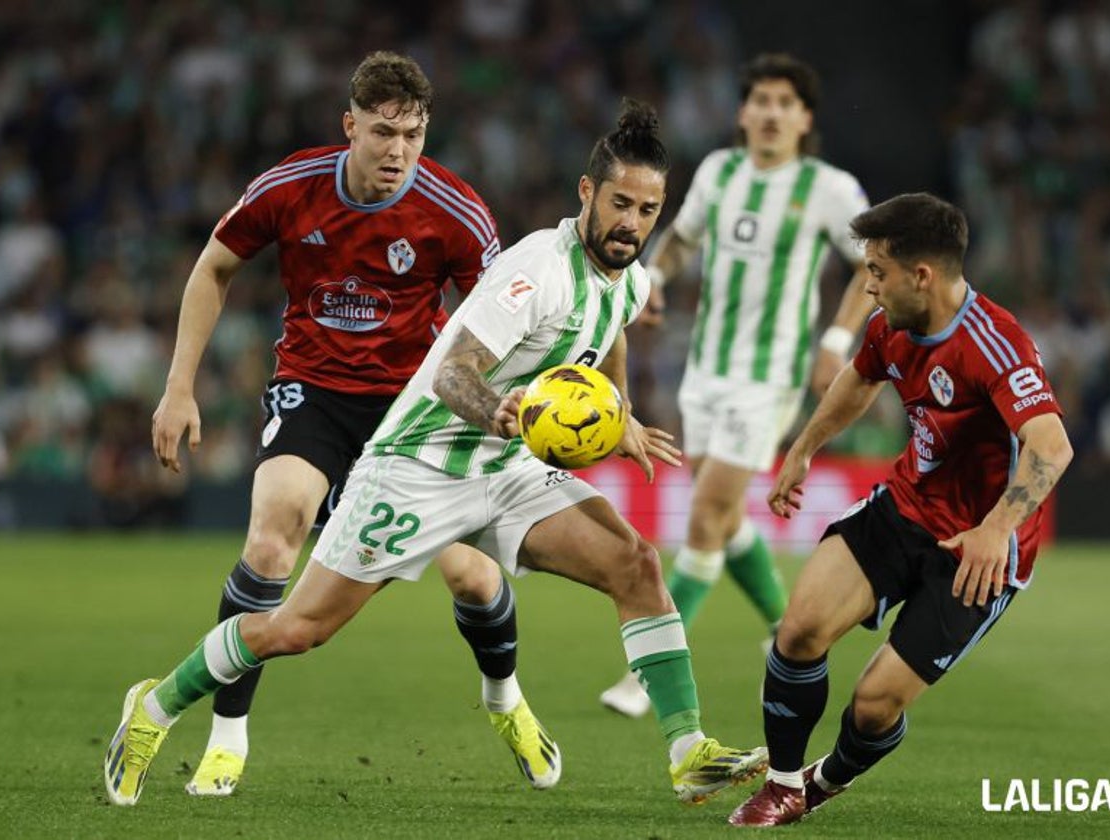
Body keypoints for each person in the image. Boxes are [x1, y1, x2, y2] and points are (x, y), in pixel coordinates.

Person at [104, 99, 768, 808]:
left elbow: (616, 327)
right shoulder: (535, 271)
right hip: (419, 463)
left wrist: (622, 410)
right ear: (586, 193)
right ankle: (153, 707)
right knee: (298, 629)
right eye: (619, 204)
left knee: (636, 563)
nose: (631, 224)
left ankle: (686, 749)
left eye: (647, 209)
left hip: (502, 467)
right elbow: (454, 372)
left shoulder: (629, 278)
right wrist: (501, 409)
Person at [148, 51, 550, 797]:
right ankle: (227, 738)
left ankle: (506, 700)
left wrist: (509, 403)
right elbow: (213, 267)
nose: (398, 150)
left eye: (413, 134)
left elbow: (502, 319)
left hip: (418, 406)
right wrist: (179, 389)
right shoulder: (291, 186)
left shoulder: (456, 211)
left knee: (472, 576)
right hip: (315, 390)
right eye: (382, 132)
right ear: (350, 126)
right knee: (273, 539)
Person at [727, 193, 1074, 826]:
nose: (869, 287)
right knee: (799, 629)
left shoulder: (996, 344)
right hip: (905, 506)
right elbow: (859, 378)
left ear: (923, 275)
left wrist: (996, 529)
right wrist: (804, 448)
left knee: (873, 705)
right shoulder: (892, 324)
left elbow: (1052, 445)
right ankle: (781, 785)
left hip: (979, 549)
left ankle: (825, 779)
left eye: (878, 273)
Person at [601, 53, 876, 718]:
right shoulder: (721, 172)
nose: (772, 112)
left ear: (804, 117)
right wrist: (654, 280)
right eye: (761, 100)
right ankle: (790, 633)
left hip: (770, 376)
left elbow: (875, 263)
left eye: (786, 102)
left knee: (703, 519)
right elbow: (679, 240)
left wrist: (837, 342)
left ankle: (651, 672)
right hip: (706, 371)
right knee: (721, 517)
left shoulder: (830, 187)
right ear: (742, 113)